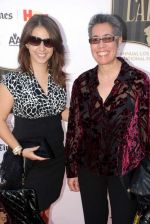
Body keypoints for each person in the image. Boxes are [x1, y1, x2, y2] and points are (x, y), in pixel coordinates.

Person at [65, 13, 149, 224]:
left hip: (127, 168)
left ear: (119, 40)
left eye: (107, 38)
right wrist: (72, 169)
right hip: (89, 167)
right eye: (95, 39)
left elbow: (146, 127)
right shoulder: (82, 82)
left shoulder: (138, 81)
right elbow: (75, 128)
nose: (101, 45)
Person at [0, 14, 68, 223]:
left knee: (43, 214)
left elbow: (57, 111)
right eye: (35, 40)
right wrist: (19, 150)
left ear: (54, 45)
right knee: (24, 216)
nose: (41, 47)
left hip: (55, 161)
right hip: (26, 163)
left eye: (47, 41)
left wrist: (87, 115)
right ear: (26, 44)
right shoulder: (13, 80)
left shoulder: (59, 78)